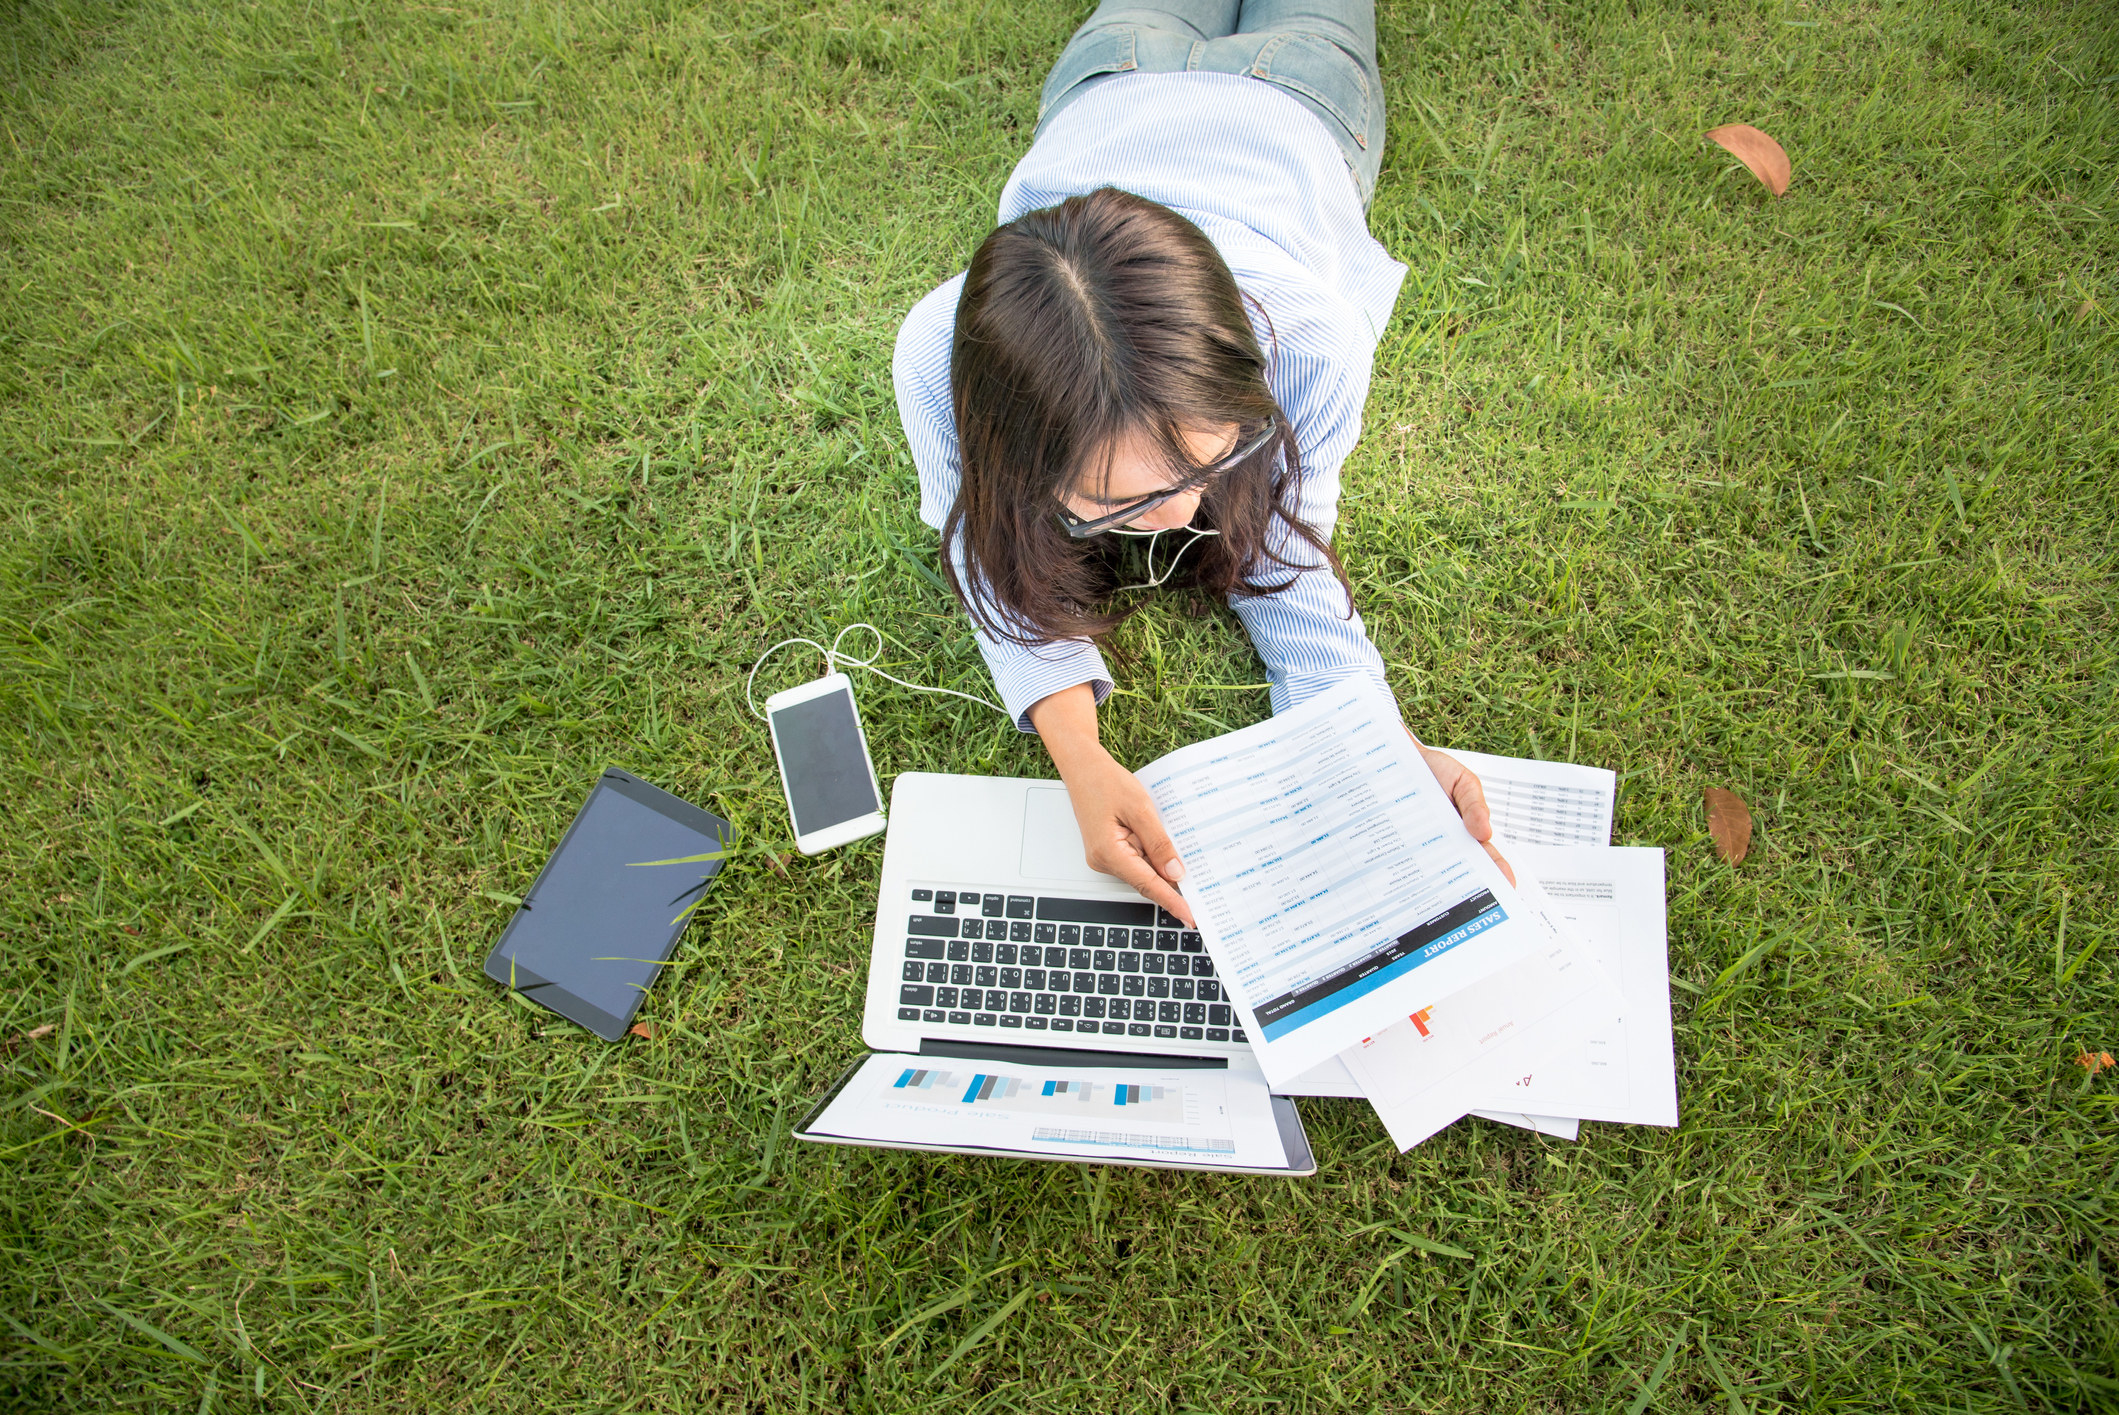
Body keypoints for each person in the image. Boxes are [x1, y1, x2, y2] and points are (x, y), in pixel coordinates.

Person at [892, 0, 1510, 927]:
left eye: (1211, 463)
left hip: (1289, 99)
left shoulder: (1308, 342)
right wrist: (1079, 753)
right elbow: (991, 555)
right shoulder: (937, 360)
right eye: (1116, 504)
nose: (1184, 522)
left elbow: (1288, 556)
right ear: (1012, 450)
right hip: (1116, 80)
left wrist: (1371, 744)